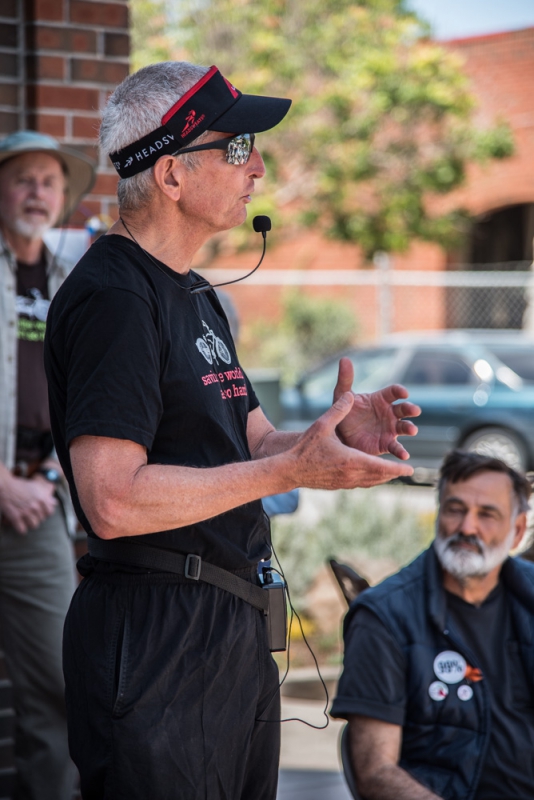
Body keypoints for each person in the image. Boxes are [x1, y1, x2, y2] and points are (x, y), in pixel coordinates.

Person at [43, 61, 420, 800]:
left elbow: (250, 442)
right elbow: (112, 503)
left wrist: (325, 441)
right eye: (238, 148)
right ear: (172, 174)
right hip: (155, 638)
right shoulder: (114, 300)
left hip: (228, 629)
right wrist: (290, 471)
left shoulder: (197, 296)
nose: (260, 168)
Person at [331, 449, 534, 800]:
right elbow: (375, 773)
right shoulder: (383, 616)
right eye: (455, 509)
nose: (467, 527)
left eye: (487, 514)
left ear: (517, 532)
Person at [0, 130, 94, 800]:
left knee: (60, 687)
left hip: (37, 506)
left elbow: (86, 392)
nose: (37, 191)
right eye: (23, 177)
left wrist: (57, 475)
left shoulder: (70, 284)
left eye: (49, 181)